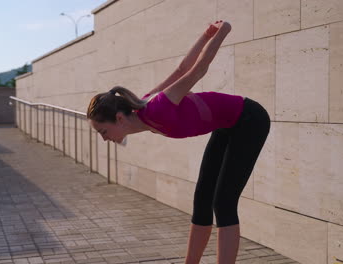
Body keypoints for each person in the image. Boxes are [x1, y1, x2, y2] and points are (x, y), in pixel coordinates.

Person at [87, 20, 270, 264]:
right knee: (202, 198)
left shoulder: (157, 107)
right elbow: (181, 68)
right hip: (227, 126)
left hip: (249, 119)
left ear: (119, 118)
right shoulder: (143, 109)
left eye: (103, 131)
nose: (104, 139)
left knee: (223, 202)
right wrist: (204, 35)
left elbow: (196, 70)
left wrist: (222, 32)